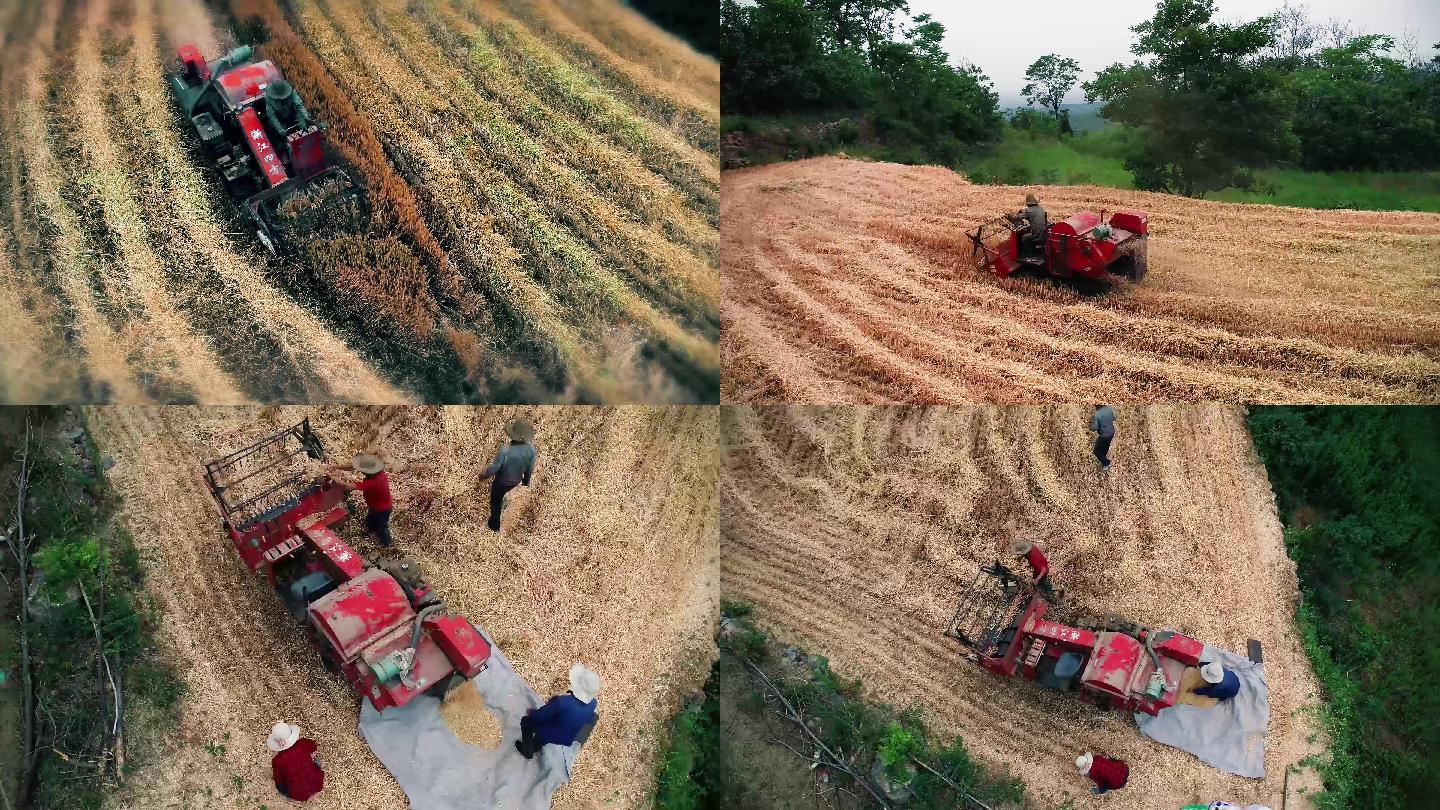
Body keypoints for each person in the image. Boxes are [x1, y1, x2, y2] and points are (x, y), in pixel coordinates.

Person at [516, 663, 600, 760]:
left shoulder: (561, 702)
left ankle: (527, 750)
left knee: (526, 722)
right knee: (544, 738)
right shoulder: (593, 703)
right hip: (566, 737)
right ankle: (535, 747)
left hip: (550, 731)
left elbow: (541, 716)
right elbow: (588, 719)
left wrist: (532, 712)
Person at [479, 419, 537, 532]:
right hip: (515, 482)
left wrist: (484, 475)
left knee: (495, 501)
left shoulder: (505, 449)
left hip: (501, 481)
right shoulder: (531, 451)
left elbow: (495, 467)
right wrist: (526, 482)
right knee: (502, 495)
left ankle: (493, 527)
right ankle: (504, 503)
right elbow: (530, 468)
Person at [329, 454, 394, 547]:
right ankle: (370, 530)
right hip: (374, 506)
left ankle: (388, 545)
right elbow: (353, 466)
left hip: (382, 509)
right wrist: (334, 467)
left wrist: (329, 476)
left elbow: (347, 487)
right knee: (370, 520)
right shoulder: (378, 472)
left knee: (382, 527)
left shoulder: (373, 482)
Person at [268, 722, 324, 801]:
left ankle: (291, 795)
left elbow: (279, 780)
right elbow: (314, 746)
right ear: (292, 736)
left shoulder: (277, 761)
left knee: (280, 784)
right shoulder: (303, 743)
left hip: (298, 794)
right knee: (316, 760)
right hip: (317, 784)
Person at [1090, 404, 1116, 470]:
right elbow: (1114, 418)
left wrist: (1090, 426)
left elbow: (1094, 428)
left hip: (1104, 435)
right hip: (1112, 432)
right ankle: (1104, 458)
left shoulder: (1097, 414)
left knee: (1096, 451)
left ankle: (1107, 463)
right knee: (1105, 447)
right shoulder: (1109, 408)